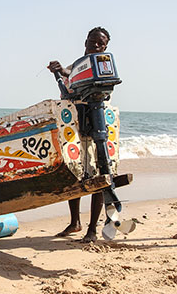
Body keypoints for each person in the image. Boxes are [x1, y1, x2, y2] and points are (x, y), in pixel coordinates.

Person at [47, 26, 111, 243]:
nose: (96, 45)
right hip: (73, 125)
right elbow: (67, 75)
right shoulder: (76, 65)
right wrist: (58, 69)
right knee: (73, 173)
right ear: (86, 41)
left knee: (98, 175)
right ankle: (75, 222)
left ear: (105, 47)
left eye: (100, 43)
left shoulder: (102, 64)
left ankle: (92, 229)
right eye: (93, 41)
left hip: (95, 127)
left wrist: (66, 73)